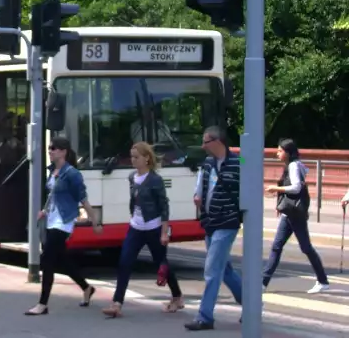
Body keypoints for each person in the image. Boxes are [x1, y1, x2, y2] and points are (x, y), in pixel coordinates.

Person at [102, 142, 184, 318]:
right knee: (125, 262)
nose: (133, 160)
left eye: (136, 157)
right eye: (131, 157)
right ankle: (117, 303)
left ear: (146, 158)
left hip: (154, 227)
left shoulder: (155, 180)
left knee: (162, 263)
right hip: (136, 227)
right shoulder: (132, 177)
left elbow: (164, 206)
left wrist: (164, 232)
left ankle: (177, 297)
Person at [24, 136, 102, 316]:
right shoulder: (52, 170)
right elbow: (53, 195)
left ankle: (42, 304)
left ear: (63, 152)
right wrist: (45, 211)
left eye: (53, 148)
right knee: (62, 259)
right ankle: (86, 287)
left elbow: (83, 199)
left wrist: (94, 222)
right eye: (50, 148)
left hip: (64, 222)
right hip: (51, 219)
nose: (50, 151)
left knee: (48, 261)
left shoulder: (72, 174)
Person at [185, 126, 242, 331]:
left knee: (212, 270)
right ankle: (252, 304)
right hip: (210, 222)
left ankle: (205, 317)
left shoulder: (238, 161)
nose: (202, 146)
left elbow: (250, 179)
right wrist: (197, 197)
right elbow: (200, 186)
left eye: (205, 141)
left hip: (227, 222)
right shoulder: (208, 163)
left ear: (217, 141)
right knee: (224, 270)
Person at [263, 139, 330, 293]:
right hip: (290, 213)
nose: (277, 153)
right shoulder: (294, 165)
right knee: (277, 247)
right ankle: (263, 282)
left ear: (287, 152)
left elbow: (296, 187)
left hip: (295, 215)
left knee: (305, 247)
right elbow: (303, 174)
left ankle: (323, 281)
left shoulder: (293, 165)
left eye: (280, 150)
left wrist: (276, 188)